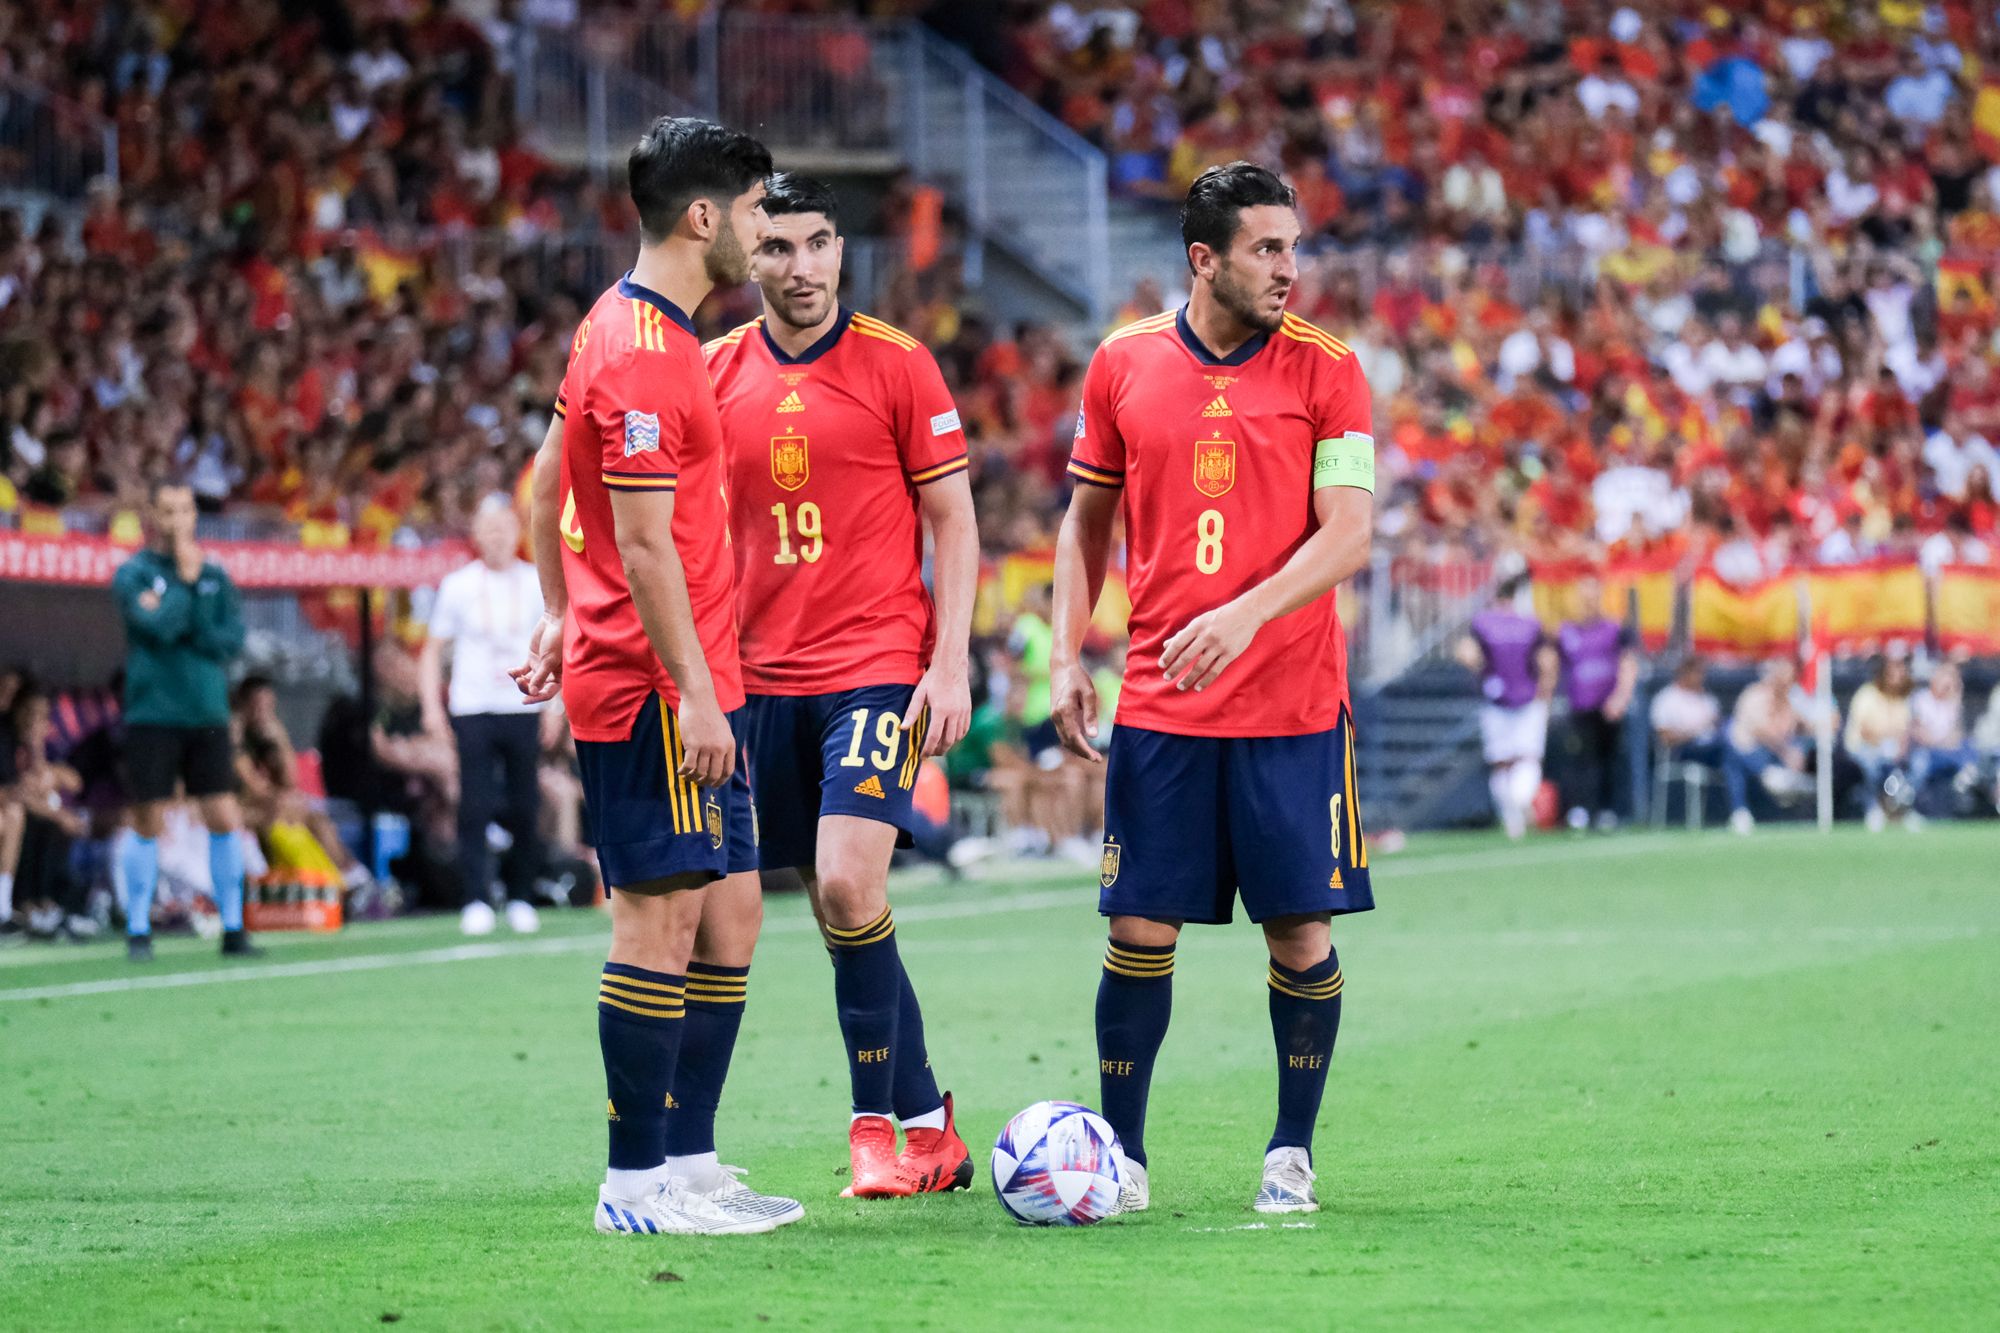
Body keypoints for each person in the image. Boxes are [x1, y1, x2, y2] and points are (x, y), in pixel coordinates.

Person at [1049, 162, 1376, 1216]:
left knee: (1300, 934)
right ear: (1205, 259)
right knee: (1138, 929)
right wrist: (1066, 652)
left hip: (1291, 704)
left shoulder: (1330, 368)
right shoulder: (1122, 364)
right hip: (1159, 703)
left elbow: (1350, 534)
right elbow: (1083, 525)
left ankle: (1290, 1151)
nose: (1290, 267)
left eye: (1293, 246)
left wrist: (1245, 612)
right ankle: (1120, 1154)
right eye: (1266, 249)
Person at [511, 117, 800, 1237]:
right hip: (651, 685)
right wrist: (687, 687)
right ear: (703, 217)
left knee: (730, 916)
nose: (765, 235)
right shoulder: (637, 351)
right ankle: (632, 1186)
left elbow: (545, 484)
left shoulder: (642, 333)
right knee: (657, 923)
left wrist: (552, 610)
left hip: (678, 671)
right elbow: (635, 543)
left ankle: (687, 1157)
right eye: (758, 212)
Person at [705, 173, 978, 1197]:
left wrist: (945, 661)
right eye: (778, 248)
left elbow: (951, 517)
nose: (802, 266)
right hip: (755, 675)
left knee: (848, 882)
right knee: (828, 911)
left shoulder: (898, 365)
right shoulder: (710, 372)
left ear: (839, 251)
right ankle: (927, 1119)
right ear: (749, 257)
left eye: (819, 244)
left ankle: (875, 1131)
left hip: (871, 664)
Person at [111, 479, 253, 961]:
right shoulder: (133, 573)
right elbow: (155, 627)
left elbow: (229, 641)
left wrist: (184, 617)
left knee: (223, 814)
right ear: (152, 514)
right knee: (148, 816)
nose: (178, 521)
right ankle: (137, 929)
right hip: (153, 711)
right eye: (168, 511)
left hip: (207, 712)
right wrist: (188, 590)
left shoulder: (218, 574)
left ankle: (234, 929)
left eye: (186, 511)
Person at [421, 494, 548, 935]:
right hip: (473, 704)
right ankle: (475, 896)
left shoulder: (536, 581)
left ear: (517, 533)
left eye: (504, 528)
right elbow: (432, 651)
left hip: (523, 703)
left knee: (525, 804)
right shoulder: (459, 584)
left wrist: (559, 705)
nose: (496, 538)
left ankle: (520, 896)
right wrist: (430, 708)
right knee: (473, 804)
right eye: (488, 529)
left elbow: (559, 646)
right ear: (475, 535)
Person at [1459, 576, 1558, 840]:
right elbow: (1547, 661)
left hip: (1507, 698)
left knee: (1511, 760)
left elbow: (1467, 654)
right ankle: (1515, 812)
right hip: (1511, 699)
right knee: (1518, 758)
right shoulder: (1527, 623)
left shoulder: (1488, 623)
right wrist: (1545, 692)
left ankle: (1514, 811)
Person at [1554, 575, 1638, 831]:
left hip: (1607, 705)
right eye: (1584, 597)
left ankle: (1607, 810)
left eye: (1592, 597)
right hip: (1580, 705)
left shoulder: (1614, 628)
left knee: (1609, 758)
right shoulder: (1566, 631)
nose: (1588, 603)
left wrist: (1621, 696)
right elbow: (1556, 665)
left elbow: (1627, 662)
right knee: (1580, 758)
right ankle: (1581, 809)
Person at [1724, 658, 1816, 834]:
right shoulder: (1754, 695)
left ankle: (1784, 781)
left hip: (1777, 755)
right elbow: (1761, 732)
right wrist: (1786, 752)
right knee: (1733, 759)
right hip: (1751, 751)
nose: (1787, 681)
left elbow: (1803, 725)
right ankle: (1765, 782)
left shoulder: (1791, 699)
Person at [1844, 654, 1916, 831]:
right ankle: (1874, 809)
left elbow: (1906, 730)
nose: (1898, 675)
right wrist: (1885, 747)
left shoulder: (1902, 699)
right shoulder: (1867, 694)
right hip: (1863, 748)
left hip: (1892, 750)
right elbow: (1865, 731)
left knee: (1916, 765)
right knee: (1873, 767)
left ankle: (1902, 811)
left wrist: (1900, 749)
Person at [1907, 661, 1979, 806]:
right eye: (1946, 676)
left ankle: (1965, 788)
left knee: (1970, 748)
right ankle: (1910, 805)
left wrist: (1955, 701)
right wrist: (1943, 742)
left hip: (1949, 753)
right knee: (1919, 763)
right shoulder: (1921, 699)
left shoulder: (1952, 703)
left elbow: (1957, 736)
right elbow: (1921, 735)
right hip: (1927, 752)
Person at [1649, 657, 1727, 766]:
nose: (1702, 677)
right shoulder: (1666, 699)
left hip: (1715, 746)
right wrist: (1695, 732)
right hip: (1685, 751)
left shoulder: (1708, 699)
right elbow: (1665, 738)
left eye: (1703, 673)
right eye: (1697, 673)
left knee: (1733, 740)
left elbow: (1719, 725)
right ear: (1685, 673)